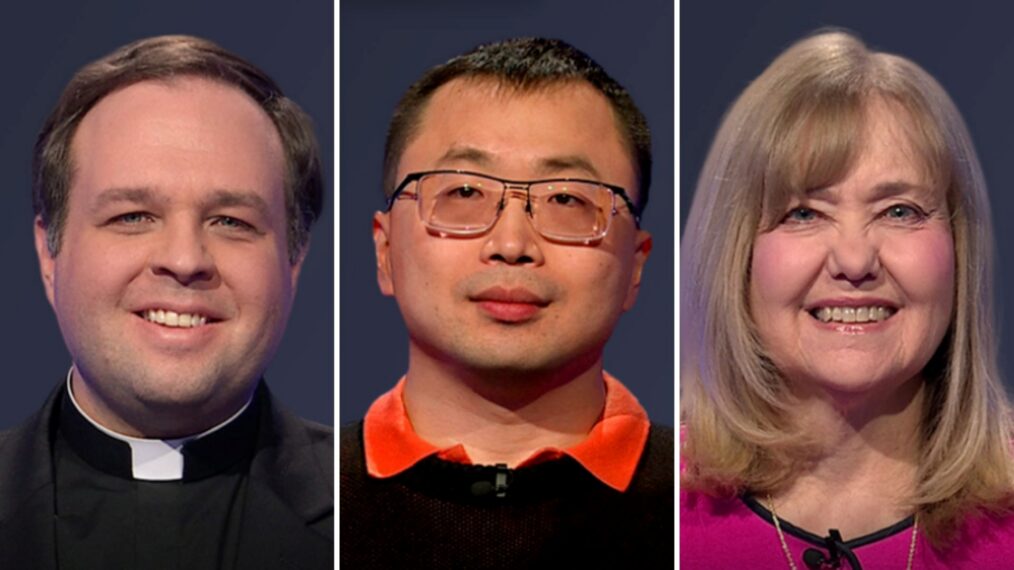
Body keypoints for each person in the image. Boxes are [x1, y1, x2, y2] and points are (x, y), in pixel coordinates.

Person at [681, 30, 1014, 568]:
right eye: (805, 213)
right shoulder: (650, 518)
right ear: (738, 257)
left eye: (899, 211)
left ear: (959, 252)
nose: (855, 261)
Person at [340, 37, 673, 567]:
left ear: (636, 264)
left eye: (566, 199)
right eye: (465, 193)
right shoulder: (298, 507)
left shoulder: (711, 513)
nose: (511, 246)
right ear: (385, 251)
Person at [0, 35, 331, 568]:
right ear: (48, 252)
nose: (184, 259)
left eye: (231, 222)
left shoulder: (383, 524)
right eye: (132, 216)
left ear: (293, 260)